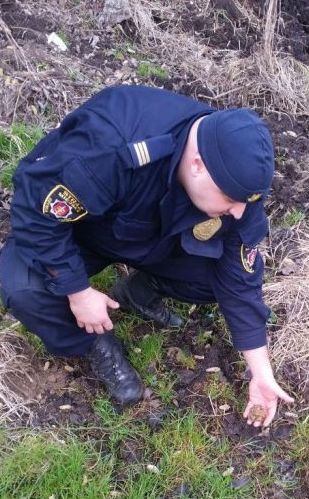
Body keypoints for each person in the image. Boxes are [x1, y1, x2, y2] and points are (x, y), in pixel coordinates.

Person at [0, 85, 293, 427]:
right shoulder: (110, 146)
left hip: (153, 238)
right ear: (197, 165)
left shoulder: (234, 176)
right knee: (20, 286)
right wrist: (77, 291)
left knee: (216, 279)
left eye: (247, 202)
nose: (240, 212)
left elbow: (240, 277)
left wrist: (261, 373)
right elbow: (38, 214)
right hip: (81, 234)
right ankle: (94, 343)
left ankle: (137, 292)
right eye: (231, 200)